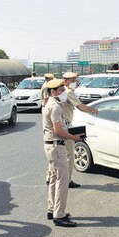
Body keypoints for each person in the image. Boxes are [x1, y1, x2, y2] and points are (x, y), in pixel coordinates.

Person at [42, 78, 84, 227]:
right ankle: (59, 215)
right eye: (60, 90)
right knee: (62, 180)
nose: (63, 93)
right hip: (56, 145)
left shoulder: (49, 104)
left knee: (54, 179)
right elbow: (58, 130)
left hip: (51, 145)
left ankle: (52, 208)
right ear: (52, 92)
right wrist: (74, 137)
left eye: (63, 90)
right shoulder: (56, 107)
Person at [45, 72, 98, 188]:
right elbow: (81, 107)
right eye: (73, 80)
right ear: (66, 81)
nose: (75, 82)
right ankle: (67, 180)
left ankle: (50, 177)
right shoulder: (67, 93)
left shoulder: (63, 93)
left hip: (55, 126)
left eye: (75, 79)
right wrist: (94, 110)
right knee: (69, 154)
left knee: (55, 154)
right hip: (64, 126)